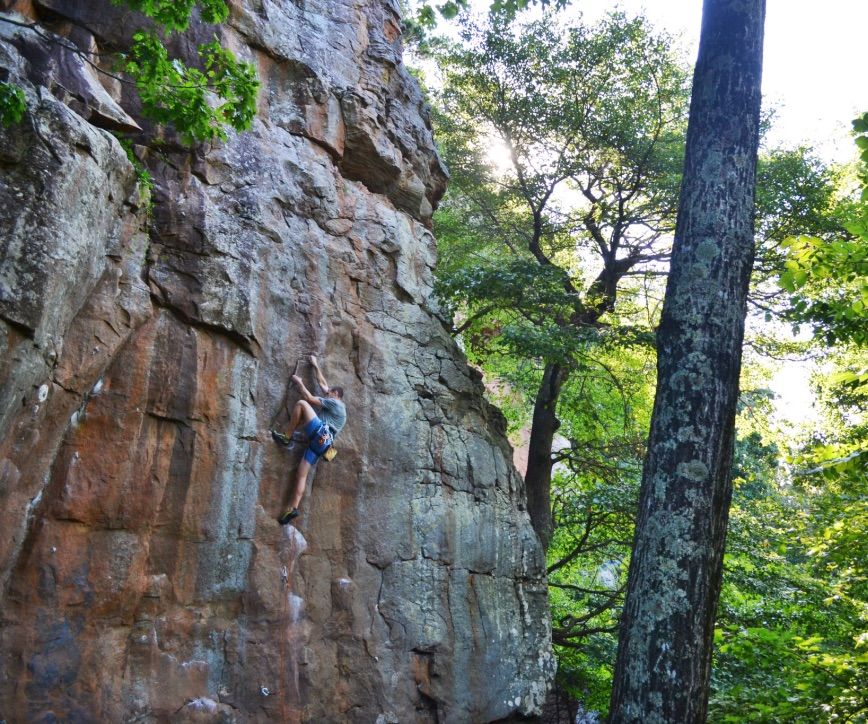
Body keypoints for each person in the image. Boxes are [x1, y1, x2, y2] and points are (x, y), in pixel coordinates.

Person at [271, 356, 347, 525]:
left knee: (302, 404)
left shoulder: (335, 404)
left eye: (329, 393)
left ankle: (287, 436)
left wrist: (299, 383)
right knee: (301, 474)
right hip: (322, 445)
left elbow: (311, 399)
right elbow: (323, 384)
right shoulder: (338, 405)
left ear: (335, 395)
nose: (326, 394)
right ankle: (293, 508)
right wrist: (315, 365)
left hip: (320, 433)